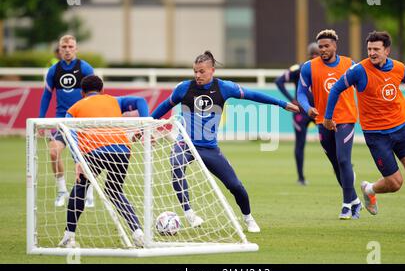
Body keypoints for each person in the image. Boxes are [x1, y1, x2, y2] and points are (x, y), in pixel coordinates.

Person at [150, 51, 300, 233]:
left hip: (210, 148)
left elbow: (253, 95)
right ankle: (190, 214)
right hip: (186, 143)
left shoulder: (224, 88)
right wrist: (146, 125)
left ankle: (248, 218)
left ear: (212, 70)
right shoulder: (184, 88)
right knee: (176, 166)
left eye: (202, 71)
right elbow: (165, 106)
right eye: (195, 71)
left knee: (235, 185)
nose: (198, 75)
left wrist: (282, 104)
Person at [324, 31, 405, 233]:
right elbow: (335, 89)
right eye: (369, 49)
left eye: (376, 49)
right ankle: (370, 189)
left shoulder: (398, 68)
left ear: (386, 50)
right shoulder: (358, 70)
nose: (372, 53)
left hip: (401, 129)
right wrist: (328, 117)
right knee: (395, 183)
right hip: (376, 135)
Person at [58, 75, 150, 248]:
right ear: (102, 90)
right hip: (123, 151)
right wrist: (146, 126)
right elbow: (140, 101)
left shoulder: (74, 108)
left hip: (95, 151)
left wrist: (78, 160)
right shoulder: (114, 100)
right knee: (115, 191)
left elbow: (70, 135)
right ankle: (138, 233)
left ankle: (69, 237)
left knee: (80, 187)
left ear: (82, 92)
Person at [297, 29, 362, 220]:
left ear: (335, 46)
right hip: (322, 121)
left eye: (326, 46)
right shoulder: (309, 67)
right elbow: (301, 92)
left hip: (345, 119)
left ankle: (345, 206)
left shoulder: (350, 64)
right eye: (320, 46)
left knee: (343, 160)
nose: (323, 50)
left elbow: (364, 86)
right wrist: (307, 107)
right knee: (336, 163)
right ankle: (355, 200)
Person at [39, 35, 95, 208]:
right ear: (59, 49)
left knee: (83, 157)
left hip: (81, 121)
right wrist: (41, 120)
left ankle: (89, 193)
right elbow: (47, 95)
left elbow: (94, 95)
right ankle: (62, 191)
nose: (67, 49)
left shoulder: (85, 68)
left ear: (76, 49)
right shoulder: (53, 71)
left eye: (71, 46)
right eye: (64, 46)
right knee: (54, 152)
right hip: (61, 121)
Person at [275, 42, 320, 186]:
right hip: (303, 111)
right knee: (300, 144)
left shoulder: (322, 70)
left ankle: (340, 169)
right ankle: (300, 177)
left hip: (318, 111)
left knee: (331, 141)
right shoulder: (300, 68)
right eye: (314, 55)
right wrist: (292, 100)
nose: (315, 57)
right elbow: (279, 81)